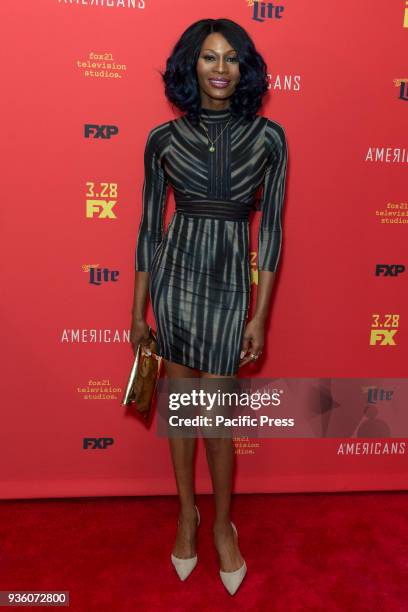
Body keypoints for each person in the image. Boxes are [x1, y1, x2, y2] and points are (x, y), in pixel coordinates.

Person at [130, 18, 288, 596]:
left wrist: (260, 314)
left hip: (228, 282)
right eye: (208, 58)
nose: (220, 69)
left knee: (214, 417)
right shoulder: (161, 139)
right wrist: (135, 312)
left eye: (230, 59)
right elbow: (149, 228)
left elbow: (269, 234)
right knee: (181, 414)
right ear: (189, 66)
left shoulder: (270, 138)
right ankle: (186, 515)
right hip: (175, 280)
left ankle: (223, 525)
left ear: (243, 69)